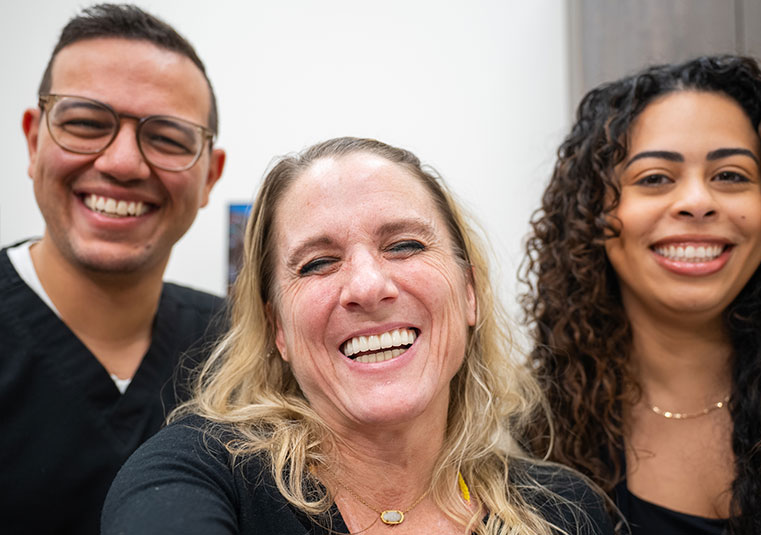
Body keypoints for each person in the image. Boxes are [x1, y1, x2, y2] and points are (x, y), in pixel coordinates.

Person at [102, 137, 613, 535]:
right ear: (278, 328)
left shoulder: (563, 510)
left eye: (405, 245)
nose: (368, 287)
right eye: (318, 263)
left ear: (469, 293)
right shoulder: (196, 475)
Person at [520, 55, 761, 534]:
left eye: (730, 175)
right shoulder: (526, 438)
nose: (697, 202)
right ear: (593, 216)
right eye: (654, 178)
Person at [0, 4, 226, 534]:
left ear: (210, 176)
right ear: (33, 141)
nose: (122, 163)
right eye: (84, 123)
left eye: (168, 137)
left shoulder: (242, 349)